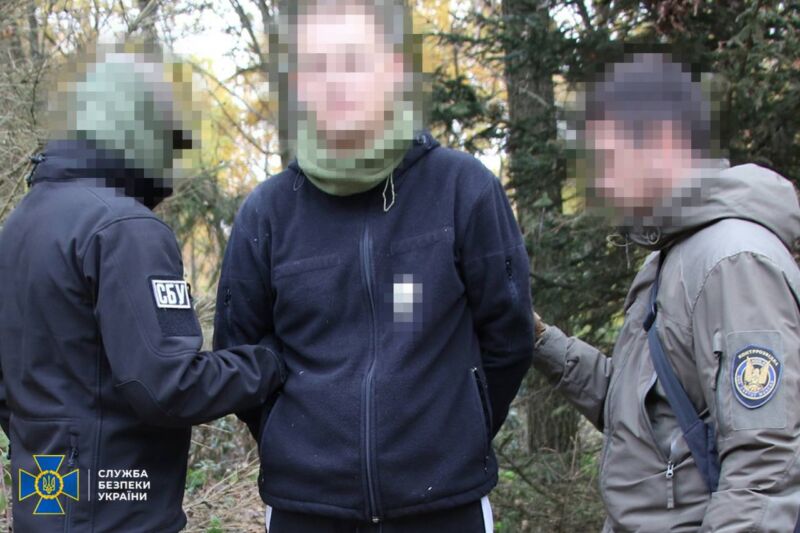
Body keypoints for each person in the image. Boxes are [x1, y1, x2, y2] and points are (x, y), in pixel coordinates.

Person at [212, 1, 534, 531]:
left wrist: (456, 433)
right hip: (306, 510)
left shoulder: (463, 190)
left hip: (445, 507)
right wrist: (290, 441)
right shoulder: (267, 213)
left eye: (354, 61)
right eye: (317, 66)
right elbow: (240, 354)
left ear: (395, 71)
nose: (335, 82)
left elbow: (508, 338)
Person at [0, 45, 286, 532]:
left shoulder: (20, 225)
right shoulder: (125, 230)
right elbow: (169, 387)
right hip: (118, 514)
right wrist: (269, 361)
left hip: (45, 504)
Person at [533, 52, 800, 532]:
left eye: (608, 160)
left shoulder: (732, 260)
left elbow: (765, 467)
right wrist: (540, 341)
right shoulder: (673, 257)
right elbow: (643, 415)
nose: (601, 183)